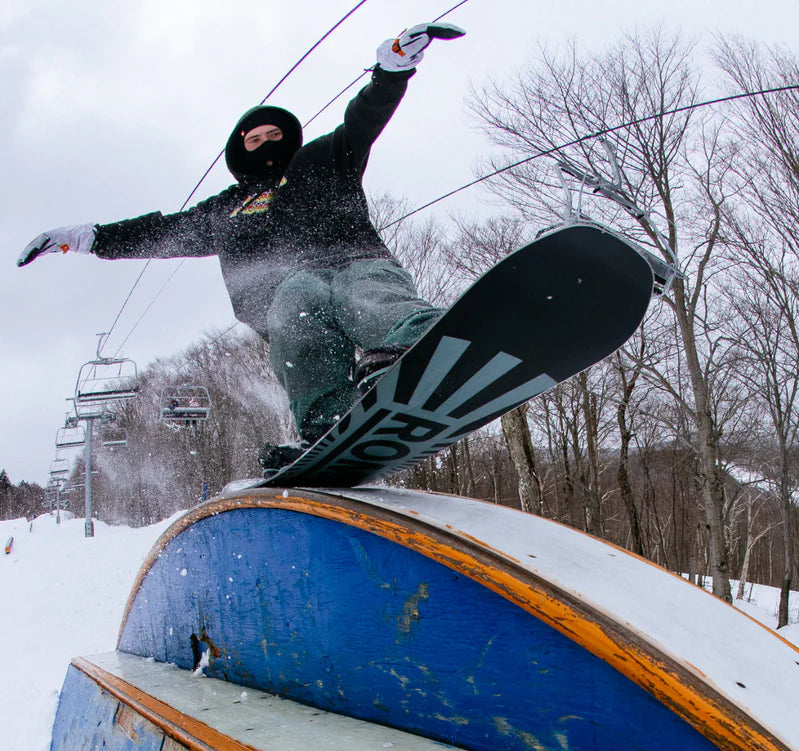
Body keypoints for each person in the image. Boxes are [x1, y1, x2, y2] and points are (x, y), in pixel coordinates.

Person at [17, 22, 465, 469]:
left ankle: (418, 345)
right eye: (255, 140)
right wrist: (89, 238)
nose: (266, 144)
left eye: (274, 136)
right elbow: (161, 232)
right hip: (287, 290)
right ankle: (328, 422)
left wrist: (392, 70)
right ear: (240, 150)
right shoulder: (225, 209)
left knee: (366, 294)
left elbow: (365, 118)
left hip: (353, 260)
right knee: (296, 312)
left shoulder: (324, 158)